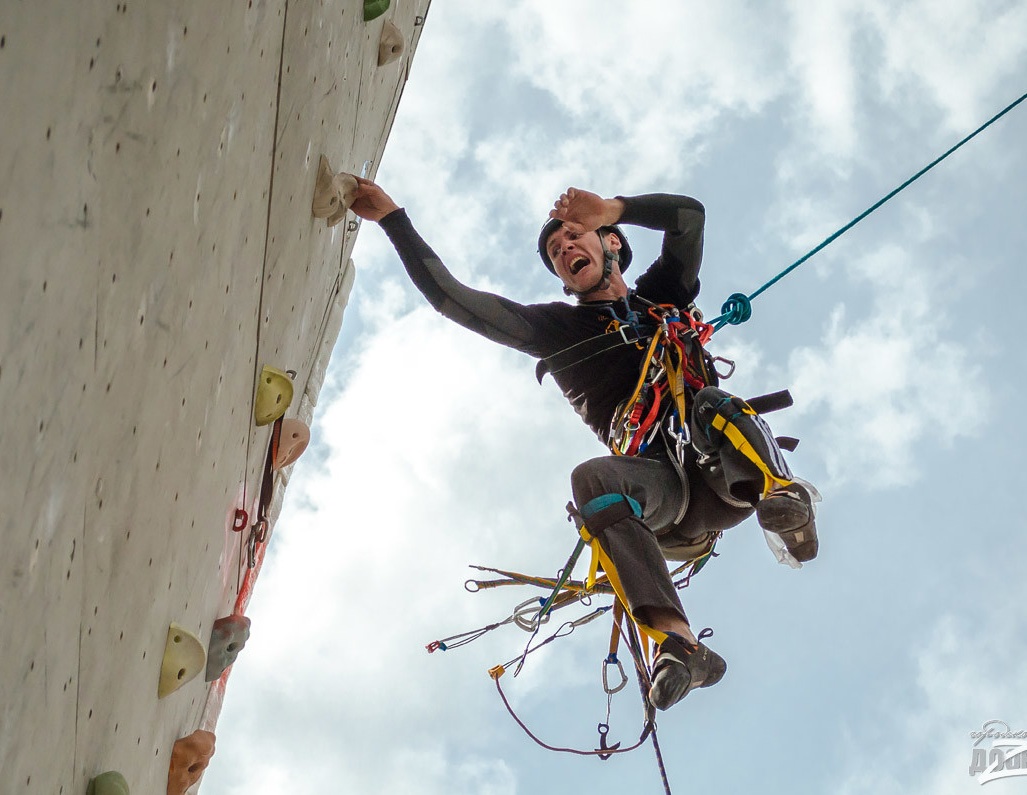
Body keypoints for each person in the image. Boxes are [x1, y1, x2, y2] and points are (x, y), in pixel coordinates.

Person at [349, 178, 819, 711]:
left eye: (575, 237)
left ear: (611, 243)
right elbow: (455, 300)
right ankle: (679, 645)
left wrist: (611, 208)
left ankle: (785, 501)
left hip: (722, 468)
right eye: (555, 251)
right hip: (669, 495)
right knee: (593, 478)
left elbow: (690, 217)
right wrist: (393, 219)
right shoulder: (560, 330)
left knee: (709, 400)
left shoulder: (664, 296)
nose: (565, 249)